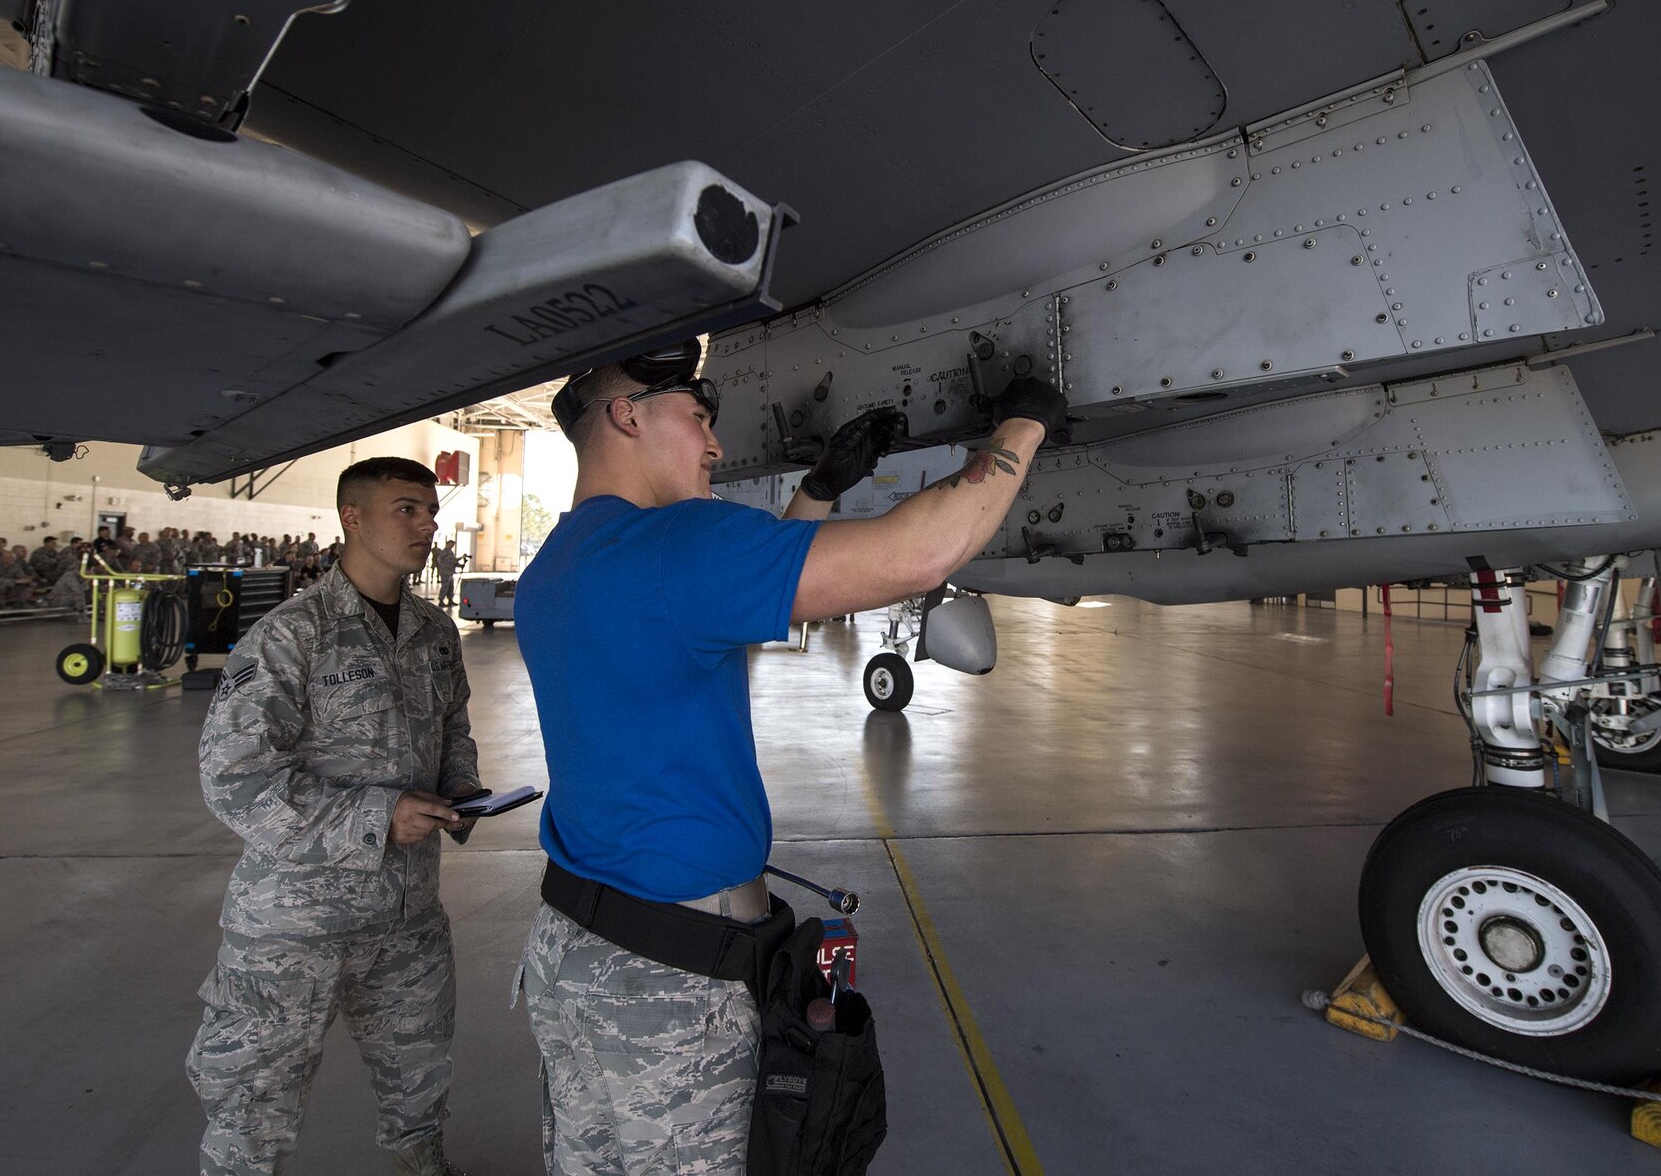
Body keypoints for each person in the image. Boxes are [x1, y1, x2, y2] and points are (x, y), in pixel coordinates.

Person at [513, 339, 1062, 1174]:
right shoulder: (675, 544)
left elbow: (715, 601)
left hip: (575, 956)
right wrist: (1024, 425)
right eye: (697, 417)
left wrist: (818, 490)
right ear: (628, 415)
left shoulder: (557, 567)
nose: (716, 444)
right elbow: (918, 554)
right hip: (672, 982)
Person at [187, 456, 482, 1176]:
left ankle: (421, 1160)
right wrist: (378, 815)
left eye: (430, 510)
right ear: (354, 516)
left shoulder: (435, 631)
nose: (427, 523)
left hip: (407, 915)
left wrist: (464, 792)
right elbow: (234, 777)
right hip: (297, 922)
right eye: (407, 509)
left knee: (418, 1078)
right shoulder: (294, 633)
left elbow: (455, 730)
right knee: (253, 1100)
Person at [431, 543, 458, 608]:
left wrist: (459, 564)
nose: (452, 546)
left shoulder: (450, 552)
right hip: (445, 572)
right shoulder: (443, 552)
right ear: (448, 544)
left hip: (450, 572)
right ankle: (441, 600)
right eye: (451, 544)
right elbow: (443, 561)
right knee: (445, 587)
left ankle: (450, 599)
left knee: (451, 586)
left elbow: (453, 561)